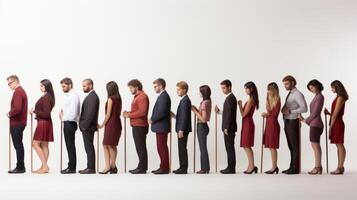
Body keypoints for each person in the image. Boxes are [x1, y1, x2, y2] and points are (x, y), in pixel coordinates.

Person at [281, 75, 307, 175]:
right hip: (287, 121)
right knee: (290, 145)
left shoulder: (298, 94)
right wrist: (283, 109)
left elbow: (304, 108)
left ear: (292, 82)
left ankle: (295, 168)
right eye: (284, 84)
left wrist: (291, 111)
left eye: (287, 84)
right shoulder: (290, 94)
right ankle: (291, 166)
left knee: (294, 145)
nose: (285, 86)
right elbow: (287, 107)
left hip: (293, 121)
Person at [123, 79, 149, 174]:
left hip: (140, 125)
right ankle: (141, 166)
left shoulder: (142, 97)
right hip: (137, 125)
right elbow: (137, 110)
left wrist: (129, 115)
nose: (130, 90)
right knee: (139, 147)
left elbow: (142, 112)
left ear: (136, 87)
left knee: (141, 147)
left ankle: (142, 168)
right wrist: (129, 112)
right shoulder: (138, 97)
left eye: (131, 88)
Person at [30, 79, 55, 174]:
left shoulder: (47, 97)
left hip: (44, 122)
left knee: (35, 144)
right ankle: (43, 167)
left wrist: (34, 111)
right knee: (44, 145)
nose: (40, 87)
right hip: (45, 122)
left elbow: (46, 113)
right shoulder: (46, 96)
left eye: (42, 86)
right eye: (40, 85)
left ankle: (45, 166)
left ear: (47, 87)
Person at [300, 80, 324, 175]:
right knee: (315, 146)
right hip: (314, 123)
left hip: (316, 124)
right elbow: (314, 114)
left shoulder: (320, 97)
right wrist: (304, 120)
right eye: (310, 88)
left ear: (317, 85)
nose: (312, 89)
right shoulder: (317, 96)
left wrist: (306, 120)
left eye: (312, 87)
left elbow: (315, 112)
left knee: (315, 146)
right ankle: (318, 166)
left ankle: (317, 167)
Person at [324, 80, 348, 175]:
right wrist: (328, 113)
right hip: (336, 122)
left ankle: (340, 167)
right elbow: (334, 114)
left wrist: (330, 127)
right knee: (338, 145)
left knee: (339, 144)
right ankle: (340, 166)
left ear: (336, 87)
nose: (331, 89)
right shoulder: (338, 97)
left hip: (337, 123)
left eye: (332, 87)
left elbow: (335, 115)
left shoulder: (340, 98)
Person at [98, 81, 122, 174]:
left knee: (107, 144)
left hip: (111, 123)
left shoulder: (111, 99)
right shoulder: (119, 98)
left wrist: (102, 125)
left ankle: (108, 166)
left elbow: (108, 115)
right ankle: (113, 165)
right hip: (117, 123)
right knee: (112, 145)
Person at [149, 78, 171, 175]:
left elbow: (161, 112)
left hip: (161, 126)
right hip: (160, 126)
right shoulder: (162, 96)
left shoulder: (164, 96)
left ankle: (164, 168)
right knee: (161, 147)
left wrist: (152, 119)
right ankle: (163, 166)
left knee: (162, 147)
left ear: (161, 86)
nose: (154, 89)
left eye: (155, 86)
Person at [215, 80, 237, 174]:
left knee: (230, 148)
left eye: (224, 88)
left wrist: (226, 127)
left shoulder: (231, 98)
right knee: (229, 148)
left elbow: (230, 115)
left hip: (229, 128)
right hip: (228, 127)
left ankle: (231, 168)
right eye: (222, 88)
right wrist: (219, 111)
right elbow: (227, 113)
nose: (222, 90)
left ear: (229, 87)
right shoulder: (229, 98)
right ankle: (230, 167)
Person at [7, 75, 28, 174]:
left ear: (15, 81)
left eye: (10, 83)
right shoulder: (21, 91)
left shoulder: (18, 92)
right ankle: (20, 166)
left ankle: (20, 167)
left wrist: (10, 113)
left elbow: (17, 108)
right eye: (8, 84)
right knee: (19, 145)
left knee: (18, 145)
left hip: (17, 123)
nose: (9, 85)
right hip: (20, 122)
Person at [59, 77, 80, 174]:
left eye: (64, 86)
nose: (62, 88)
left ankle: (71, 168)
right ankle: (70, 166)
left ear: (70, 85)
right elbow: (67, 110)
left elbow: (73, 113)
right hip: (68, 123)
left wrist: (63, 118)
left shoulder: (73, 96)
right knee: (69, 146)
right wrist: (62, 113)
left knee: (70, 146)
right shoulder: (69, 96)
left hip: (70, 123)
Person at [79, 79, 100, 174]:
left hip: (88, 127)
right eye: (83, 86)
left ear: (90, 85)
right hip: (88, 126)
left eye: (85, 86)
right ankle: (89, 167)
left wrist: (84, 126)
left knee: (89, 147)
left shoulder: (93, 97)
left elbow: (91, 113)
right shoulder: (91, 96)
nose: (83, 87)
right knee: (88, 147)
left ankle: (91, 168)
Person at [238, 82, 259, 174]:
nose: (245, 90)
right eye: (245, 88)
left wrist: (239, 105)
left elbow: (243, 114)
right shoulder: (251, 99)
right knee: (246, 145)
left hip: (248, 123)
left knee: (247, 145)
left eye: (247, 88)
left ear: (252, 89)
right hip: (247, 123)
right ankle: (251, 165)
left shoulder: (251, 100)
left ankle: (252, 166)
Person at [172, 81, 192, 174]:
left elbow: (185, 117)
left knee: (182, 148)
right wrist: (174, 116)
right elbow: (182, 116)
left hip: (182, 129)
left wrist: (181, 129)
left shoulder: (185, 100)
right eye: (177, 90)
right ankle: (182, 167)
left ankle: (183, 168)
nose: (177, 91)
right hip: (181, 127)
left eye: (179, 90)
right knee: (181, 147)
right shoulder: (184, 100)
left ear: (184, 90)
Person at [192, 85, 212, 174]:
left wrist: (194, 111)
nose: (198, 93)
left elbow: (203, 119)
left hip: (202, 126)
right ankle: (205, 168)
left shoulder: (204, 103)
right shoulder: (207, 101)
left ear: (203, 93)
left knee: (202, 148)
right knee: (203, 147)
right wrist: (196, 109)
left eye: (200, 91)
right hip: (204, 127)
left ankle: (205, 168)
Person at [261, 82, 281, 174]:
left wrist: (267, 114)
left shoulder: (277, 100)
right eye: (267, 89)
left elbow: (274, 114)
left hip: (273, 124)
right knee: (270, 146)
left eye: (270, 89)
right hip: (269, 124)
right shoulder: (269, 99)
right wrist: (267, 114)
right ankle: (274, 166)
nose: (268, 91)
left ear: (274, 90)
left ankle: (274, 167)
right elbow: (269, 113)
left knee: (272, 146)